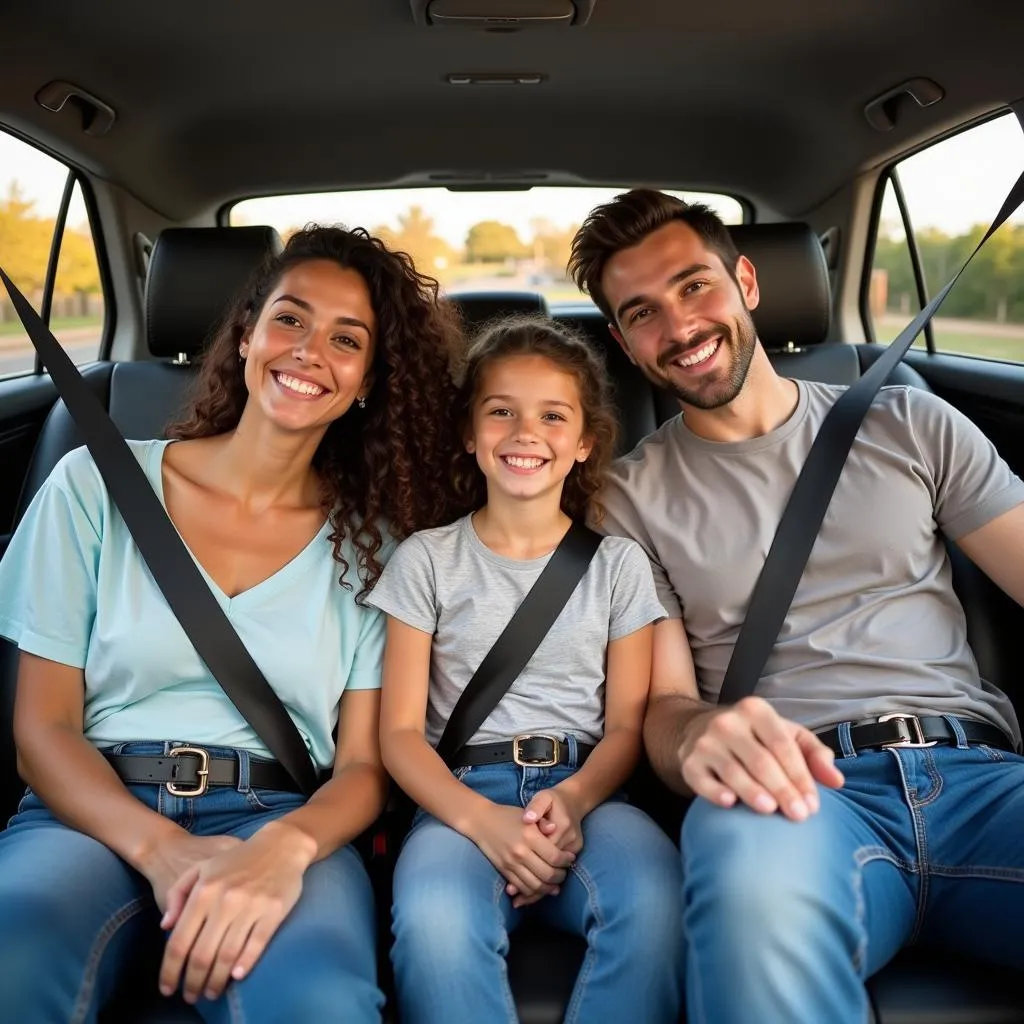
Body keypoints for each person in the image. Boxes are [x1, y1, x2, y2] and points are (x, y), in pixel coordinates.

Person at [567, 188, 1024, 1024]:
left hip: (984, 782)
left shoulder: (911, 422)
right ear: (623, 343)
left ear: (745, 281)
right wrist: (702, 733)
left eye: (694, 286)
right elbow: (662, 708)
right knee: (753, 908)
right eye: (643, 313)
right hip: (792, 800)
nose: (680, 327)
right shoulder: (624, 498)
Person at [0, 225, 462, 1023]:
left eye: (346, 339)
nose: (310, 350)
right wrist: (161, 850)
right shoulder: (93, 485)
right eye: (291, 318)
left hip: (282, 818)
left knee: (315, 999)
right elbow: (42, 728)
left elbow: (361, 768)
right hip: (89, 809)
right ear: (247, 334)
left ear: (367, 382)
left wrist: (282, 851)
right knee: (17, 946)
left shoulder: (381, 549)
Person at [370, 317, 684, 1024]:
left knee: (658, 903)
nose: (524, 432)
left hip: (592, 795)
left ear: (582, 444)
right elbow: (397, 734)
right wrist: (482, 820)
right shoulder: (426, 559)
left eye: (551, 416)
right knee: (435, 924)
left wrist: (572, 801)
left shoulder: (617, 566)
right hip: (460, 797)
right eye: (501, 411)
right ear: (469, 434)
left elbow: (627, 726)